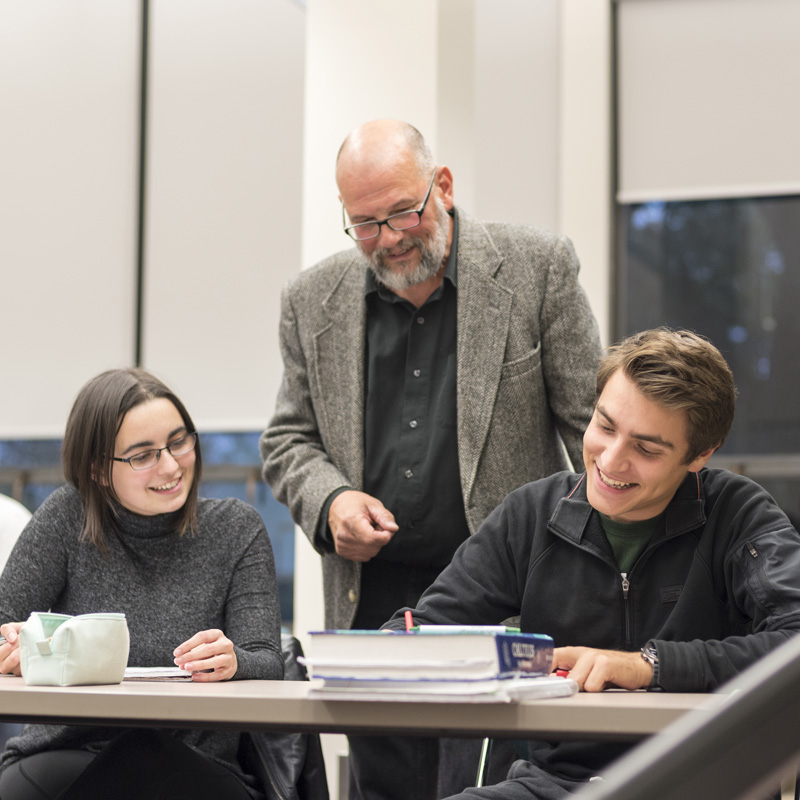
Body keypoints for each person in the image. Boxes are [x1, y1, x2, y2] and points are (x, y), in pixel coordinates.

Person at [260, 118, 602, 798]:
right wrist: (331, 502)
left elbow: (593, 432)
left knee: (485, 789)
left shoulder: (537, 270)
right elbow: (287, 440)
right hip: (375, 611)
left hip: (501, 607)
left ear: (442, 187)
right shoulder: (311, 301)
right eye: (364, 223)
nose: (386, 239)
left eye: (401, 213)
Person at [382, 327, 800, 800]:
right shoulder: (531, 513)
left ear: (700, 455)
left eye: (646, 448)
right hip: (554, 786)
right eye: (604, 426)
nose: (610, 461)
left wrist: (650, 667)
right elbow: (413, 634)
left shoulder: (739, 513)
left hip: (703, 782)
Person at [0, 368, 284, 800]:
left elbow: (269, 662)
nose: (171, 465)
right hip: (66, 751)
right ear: (97, 470)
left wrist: (234, 661)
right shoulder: (66, 517)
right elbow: (3, 626)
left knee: (143, 752)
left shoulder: (236, 529)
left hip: (193, 766)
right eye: (143, 455)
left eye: (178, 441)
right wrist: (17, 646)